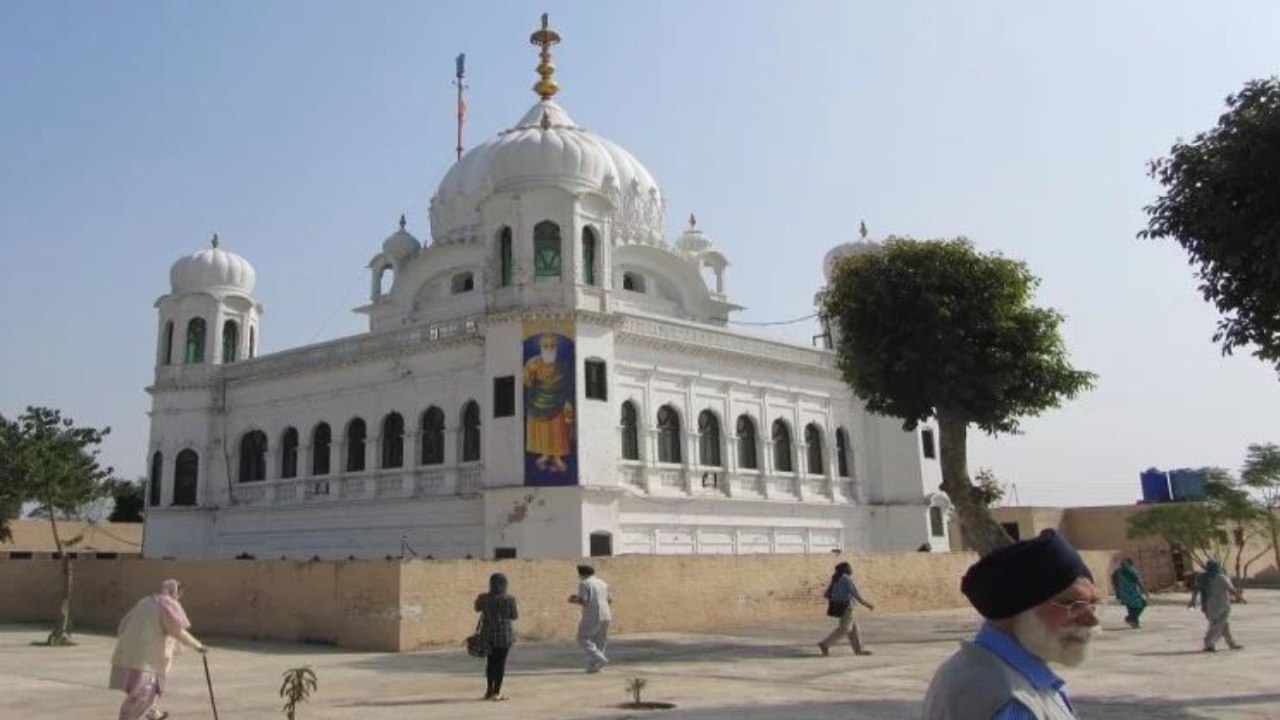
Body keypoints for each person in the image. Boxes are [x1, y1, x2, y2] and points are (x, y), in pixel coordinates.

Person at [922, 530, 1101, 720]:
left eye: (1092, 604)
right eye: (1071, 604)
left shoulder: (967, 666)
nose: (1092, 620)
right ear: (1018, 610)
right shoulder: (1012, 703)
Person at [110, 579, 207, 720]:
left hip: (130, 653)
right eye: (179, 593)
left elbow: (124, 623)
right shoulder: (166, 606)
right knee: (144, 693)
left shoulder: (146, 602)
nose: (179, 597)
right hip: (146, 659)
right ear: (175, 592)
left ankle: (153, 713)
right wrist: (198, 646)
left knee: (143, 690)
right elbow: (177, 631)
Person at [524, 332, 574, 473]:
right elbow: (526, 383)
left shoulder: (561, 366)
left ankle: (557, 457)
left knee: (558, 430)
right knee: (543, 431)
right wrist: (530, 372)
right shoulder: (533, 363)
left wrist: (568, 402)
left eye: (552, 346)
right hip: (538, 404)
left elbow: (567, 386)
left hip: (557, 404)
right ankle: (545, 455)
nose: (549, 349)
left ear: (556, 348)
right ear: (541, 347)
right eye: (546, 346)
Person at [475, 572, 519, 701]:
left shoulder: (484, 598)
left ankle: (488, 691)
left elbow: (477, 608)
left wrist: (480, 599)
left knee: (490, 663)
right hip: (504, 635)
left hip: (488, 634)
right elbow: (514, 616)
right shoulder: (509, 599)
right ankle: (497, 692)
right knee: (500, 664)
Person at [817, 561, 875, 656]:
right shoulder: (847, 579)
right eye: (850, 568)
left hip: (839, 606)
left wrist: (837, 599)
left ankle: (858, 650)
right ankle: (825, 644)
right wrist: (867, 604)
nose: (852, 569)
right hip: (847, 607)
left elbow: (827, 594)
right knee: (845, 628)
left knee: (854, 629)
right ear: (846, 569)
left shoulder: (835, 579)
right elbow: (856, 594)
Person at [1187, 559, 1242, 652]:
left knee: (1224, 624)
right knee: (1217, 626)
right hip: (1223, 605)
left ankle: (1231, 643)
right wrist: (1240, 598)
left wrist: (1193, 601)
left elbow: (1196, 590)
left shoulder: (1202, 578)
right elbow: (1231, 590)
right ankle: (1209, 644)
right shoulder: (1222, 577)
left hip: (1208, 606)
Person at [568, 564, 611, 672]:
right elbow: (610, 600)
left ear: (582, 574)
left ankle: (601, 659)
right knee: (600, 640)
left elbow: (584, 601)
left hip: (592, 614)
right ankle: (594, 666)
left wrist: (573, 600)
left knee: (583, 638)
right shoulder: (603, 583)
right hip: (606, 614)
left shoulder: (584, 583)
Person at [1110, 558, 1148, 629]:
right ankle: (1133, 621)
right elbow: (1137, 580)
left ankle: (1131, 619)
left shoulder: (1128, 570)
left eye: (1125, 563)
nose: (1123, 564)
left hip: (1131, 592)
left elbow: (1137, 580)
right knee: (1133, 607)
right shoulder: (1121, 571)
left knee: (1139, 605)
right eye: (1123, 563)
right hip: (1128, 593)